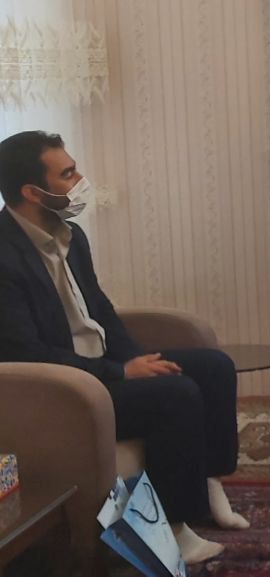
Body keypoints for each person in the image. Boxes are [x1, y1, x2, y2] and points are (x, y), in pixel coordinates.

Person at [0, 131, 244, 564]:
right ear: (32, 192)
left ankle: (209, 481)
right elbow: (28, 354)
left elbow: (101, 311)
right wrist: (120, 373)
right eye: (68, 174)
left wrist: (133, 358)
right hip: (68, 390)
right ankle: (172, 529)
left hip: (104, 365)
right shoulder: (4, 257)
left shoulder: (71, 235)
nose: (81, 181)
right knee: (177, 395)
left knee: (214, 367)